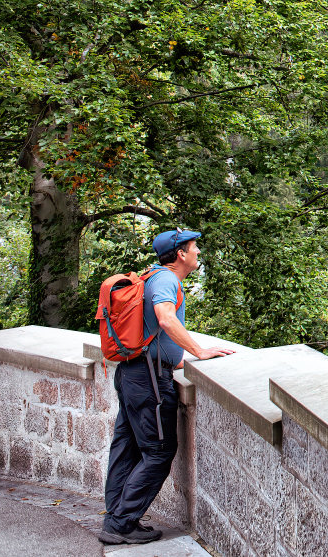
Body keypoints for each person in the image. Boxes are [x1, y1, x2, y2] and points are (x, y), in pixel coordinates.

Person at [100, 228, 235, 545]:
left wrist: (172, 356)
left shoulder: (152, 276)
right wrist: (198, 352)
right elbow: (164, 318)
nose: (198, 252)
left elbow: (152, 330)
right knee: (159, 451)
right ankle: (121, 524)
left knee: (128, 448)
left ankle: (114, 517)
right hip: (149, 381)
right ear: (180, 254)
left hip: (133, 374)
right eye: (194, 247)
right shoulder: (166, 281)